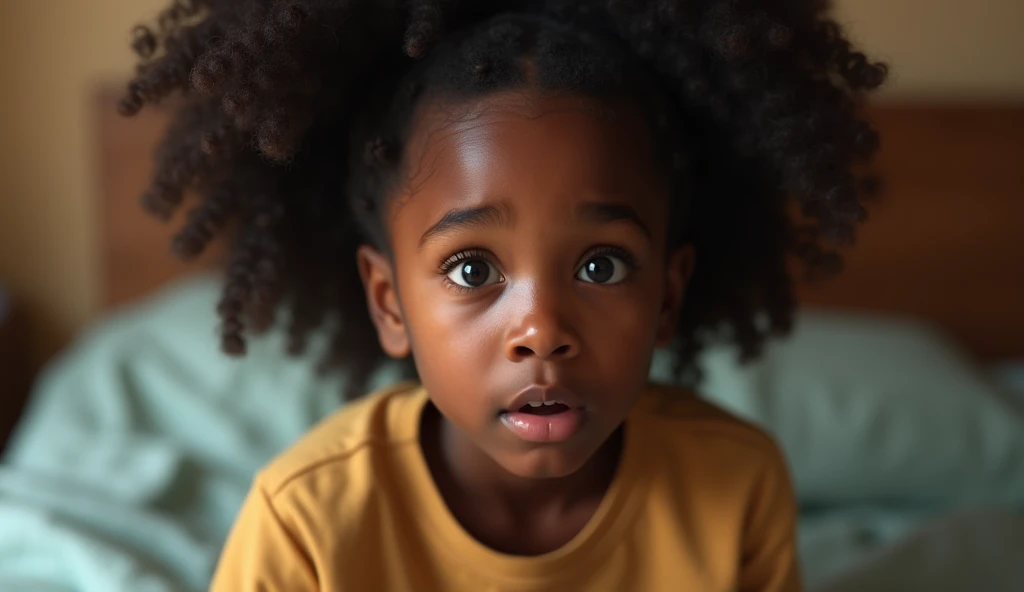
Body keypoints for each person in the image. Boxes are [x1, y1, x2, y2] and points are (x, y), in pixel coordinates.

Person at [122, 1, 886, 589]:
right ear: (389, 303)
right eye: (472, 271)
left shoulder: (738, 489)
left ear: (667, 296)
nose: (542, 330)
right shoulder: (305, 525)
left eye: (602, 267)